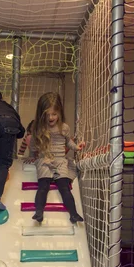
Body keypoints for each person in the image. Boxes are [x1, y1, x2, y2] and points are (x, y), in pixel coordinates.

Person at [31, 92, 84, 224]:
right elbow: (33, 144)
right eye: (47, 114)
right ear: (41, 114)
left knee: (64, 187)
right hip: (45, 160)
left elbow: (68, 142)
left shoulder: (64, 128)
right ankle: (38, 212)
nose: (51, 117)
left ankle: (73, 214)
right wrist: (32, 156)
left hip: (60, 161)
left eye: (54, 114)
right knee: (43, 186)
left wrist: (76, 147)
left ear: (59, 112)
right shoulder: (39, 128)